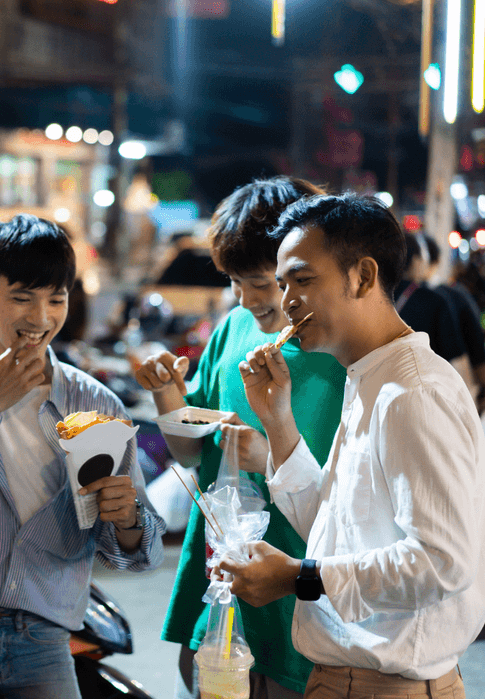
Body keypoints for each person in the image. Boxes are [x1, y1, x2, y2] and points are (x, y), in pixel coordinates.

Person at [221, 194, 485, 698]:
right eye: (282, 284)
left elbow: (442, 562)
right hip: (348, 681)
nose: (286, 302)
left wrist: (298, 577)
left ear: (363, 277)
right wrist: (279, 423)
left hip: (386, 686)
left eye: (303, 280)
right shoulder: (369, 377)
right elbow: (338, 531)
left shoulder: (411, 392)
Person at [0, 213, 166, 698]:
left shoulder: (97, 404)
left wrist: (126, 519)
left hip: (45, 633)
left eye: (55, 299)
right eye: (21, 297)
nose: (40, 318)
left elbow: (136, 553)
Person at [135, 177, 346, 699]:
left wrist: (274, 455)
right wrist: (169, 398)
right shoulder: (233, 330)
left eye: (260, 282)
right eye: (234, 280)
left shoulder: (341, 353)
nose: (245, 298)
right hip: (218, 573)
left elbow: (361, 495)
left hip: (300, 581)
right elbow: (190, 452)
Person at [422, 235, 485, 414]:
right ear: (437, 261)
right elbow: (475, 341)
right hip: (447, 392)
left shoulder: (393, 299)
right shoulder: (453, 295)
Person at [394, 233, 466, 364]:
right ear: (416, 262)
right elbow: (455, 357)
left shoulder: (374, 295)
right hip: (423, 380)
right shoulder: (435, 300)